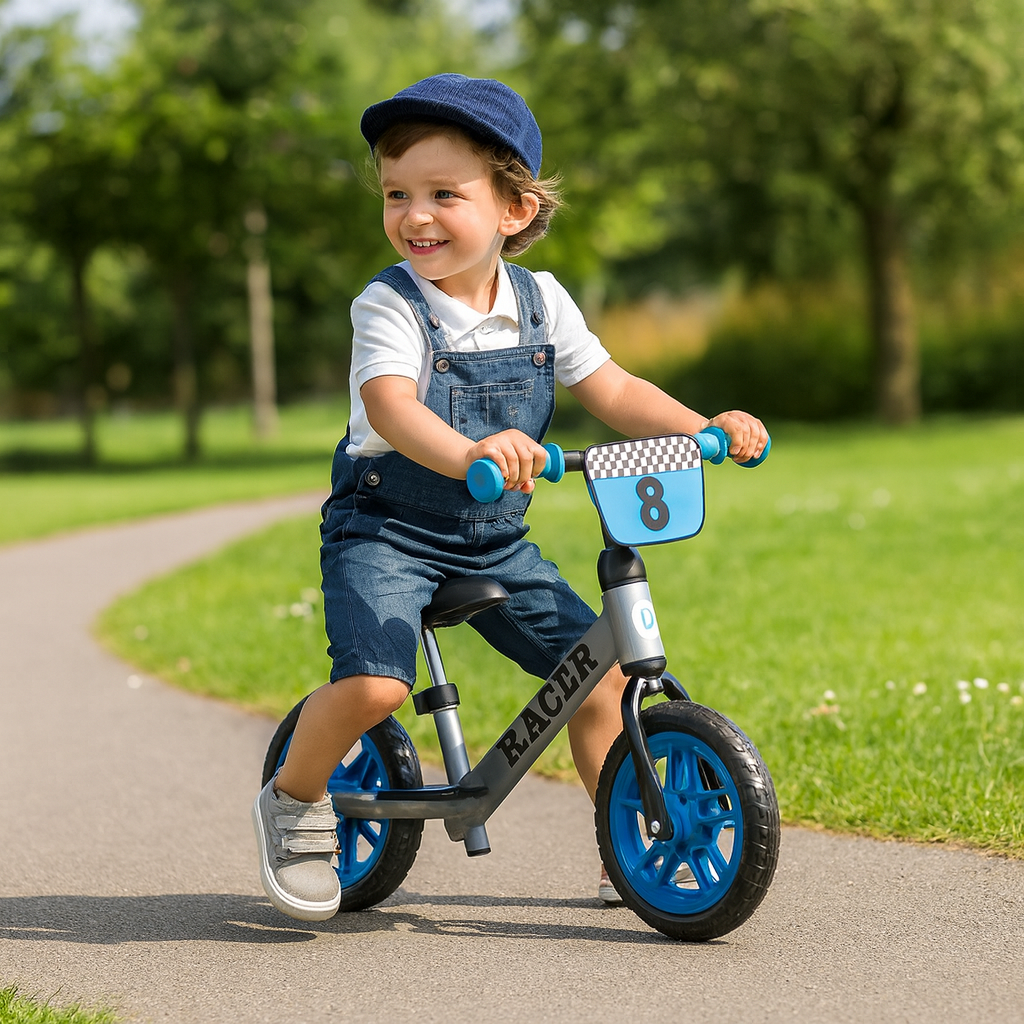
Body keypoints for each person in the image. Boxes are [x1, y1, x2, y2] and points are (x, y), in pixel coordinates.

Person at [252, 73, 768, 921]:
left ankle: (623, 842)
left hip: (491, 538)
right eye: (396, 194)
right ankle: (294, 799)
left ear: (514, 209)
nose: (413, 215)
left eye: (443, 194)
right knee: (379, 688)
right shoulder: (389, 304)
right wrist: (470, 453)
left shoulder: (541, 301)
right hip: (384, 531)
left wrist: (702, 424)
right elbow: (390, 406)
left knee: (598, 676)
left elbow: (613, 387)